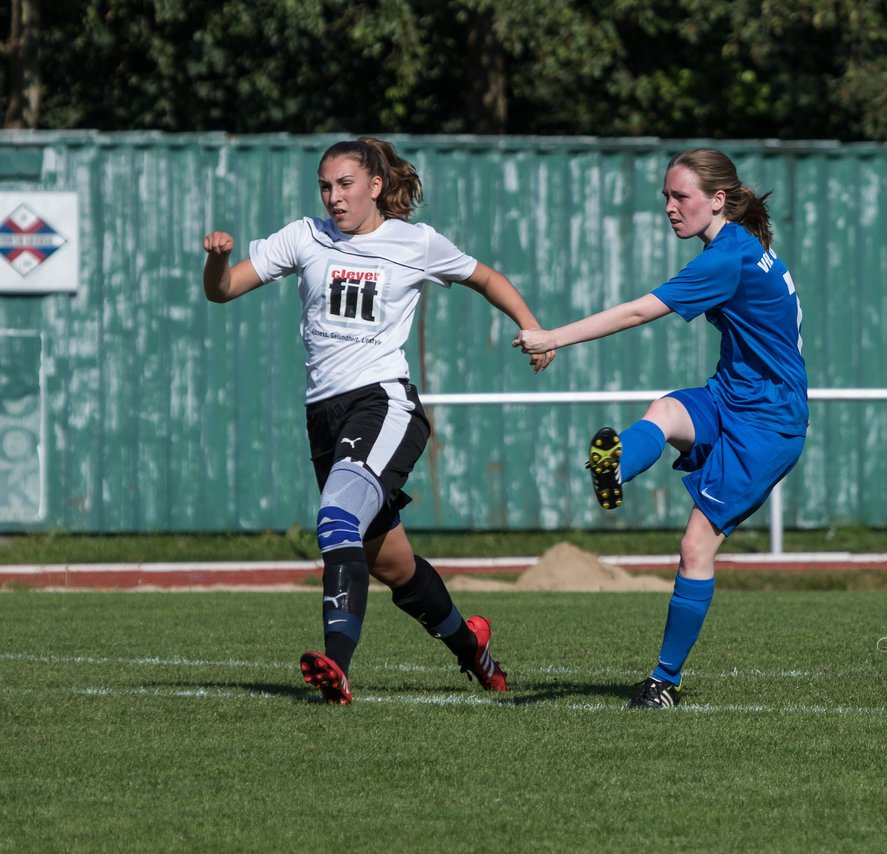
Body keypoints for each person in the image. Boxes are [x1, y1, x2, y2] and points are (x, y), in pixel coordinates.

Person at [202, 136, 554, 705]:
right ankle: (476, 652)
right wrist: (217, 258)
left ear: (376, 186)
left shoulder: (415, 243)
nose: (334, 197)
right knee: (395, 567)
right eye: (325, 185)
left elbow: (484, 277)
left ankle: (335, 666)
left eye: (345, 185)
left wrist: (534, 327)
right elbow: (222, 292)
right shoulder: (305, 236)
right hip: (325, 416)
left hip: (384, 404)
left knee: (336, 518)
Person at [514, 148, 807, 709]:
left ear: (718, 200)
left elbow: (635, 313)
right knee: (666, 411)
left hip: (768, 422)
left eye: (682, 197)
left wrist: (551, 337)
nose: (670, 208)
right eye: (666, 198)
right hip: (735, 395)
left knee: (695, 546)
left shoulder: (727, 258)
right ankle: (616, 466)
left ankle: (663, 682)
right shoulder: (742, 246)